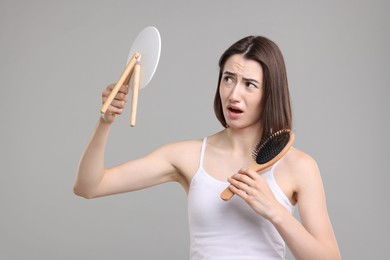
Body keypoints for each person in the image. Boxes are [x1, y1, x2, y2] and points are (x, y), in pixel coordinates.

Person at [74, 35, 341, 260]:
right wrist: (104, 121)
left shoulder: (299, 166)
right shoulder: (187, 156)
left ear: (270, 93)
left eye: (249, 84)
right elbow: (89, 187)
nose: (234, 94)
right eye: (228, 79)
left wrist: (274, 210)